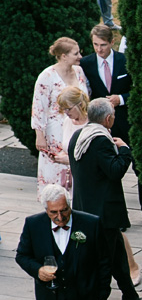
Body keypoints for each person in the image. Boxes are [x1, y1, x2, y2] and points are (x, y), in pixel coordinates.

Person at [67, 99, 142, 300]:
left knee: (118, 255)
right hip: (103, 213)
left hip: (85, 208)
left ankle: (130, 297)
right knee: (103, 263)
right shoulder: (100, 140)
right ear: (108, 118)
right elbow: (115, 171)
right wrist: (125, 150)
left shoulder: (79, 136)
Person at [81, 24, 142, 227]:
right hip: (100, 125)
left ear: (112, 42)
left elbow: (141, 89)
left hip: (127, 122)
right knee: (108, 170)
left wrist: (121, 99)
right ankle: (118, 217)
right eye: (95, 45)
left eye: (103, 45)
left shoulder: (125, 61)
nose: (99, 49)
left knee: (141, 165)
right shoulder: (86, 64)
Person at [32, 38, 90, 191]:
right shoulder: (47, 76)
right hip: (56, 133)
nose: (80, 56)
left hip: (78, 129)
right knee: (55, 173)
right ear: (64, 56)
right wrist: (39, 135)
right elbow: (38, 107)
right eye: (76, 53)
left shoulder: (79, 71)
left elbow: (86, 98)